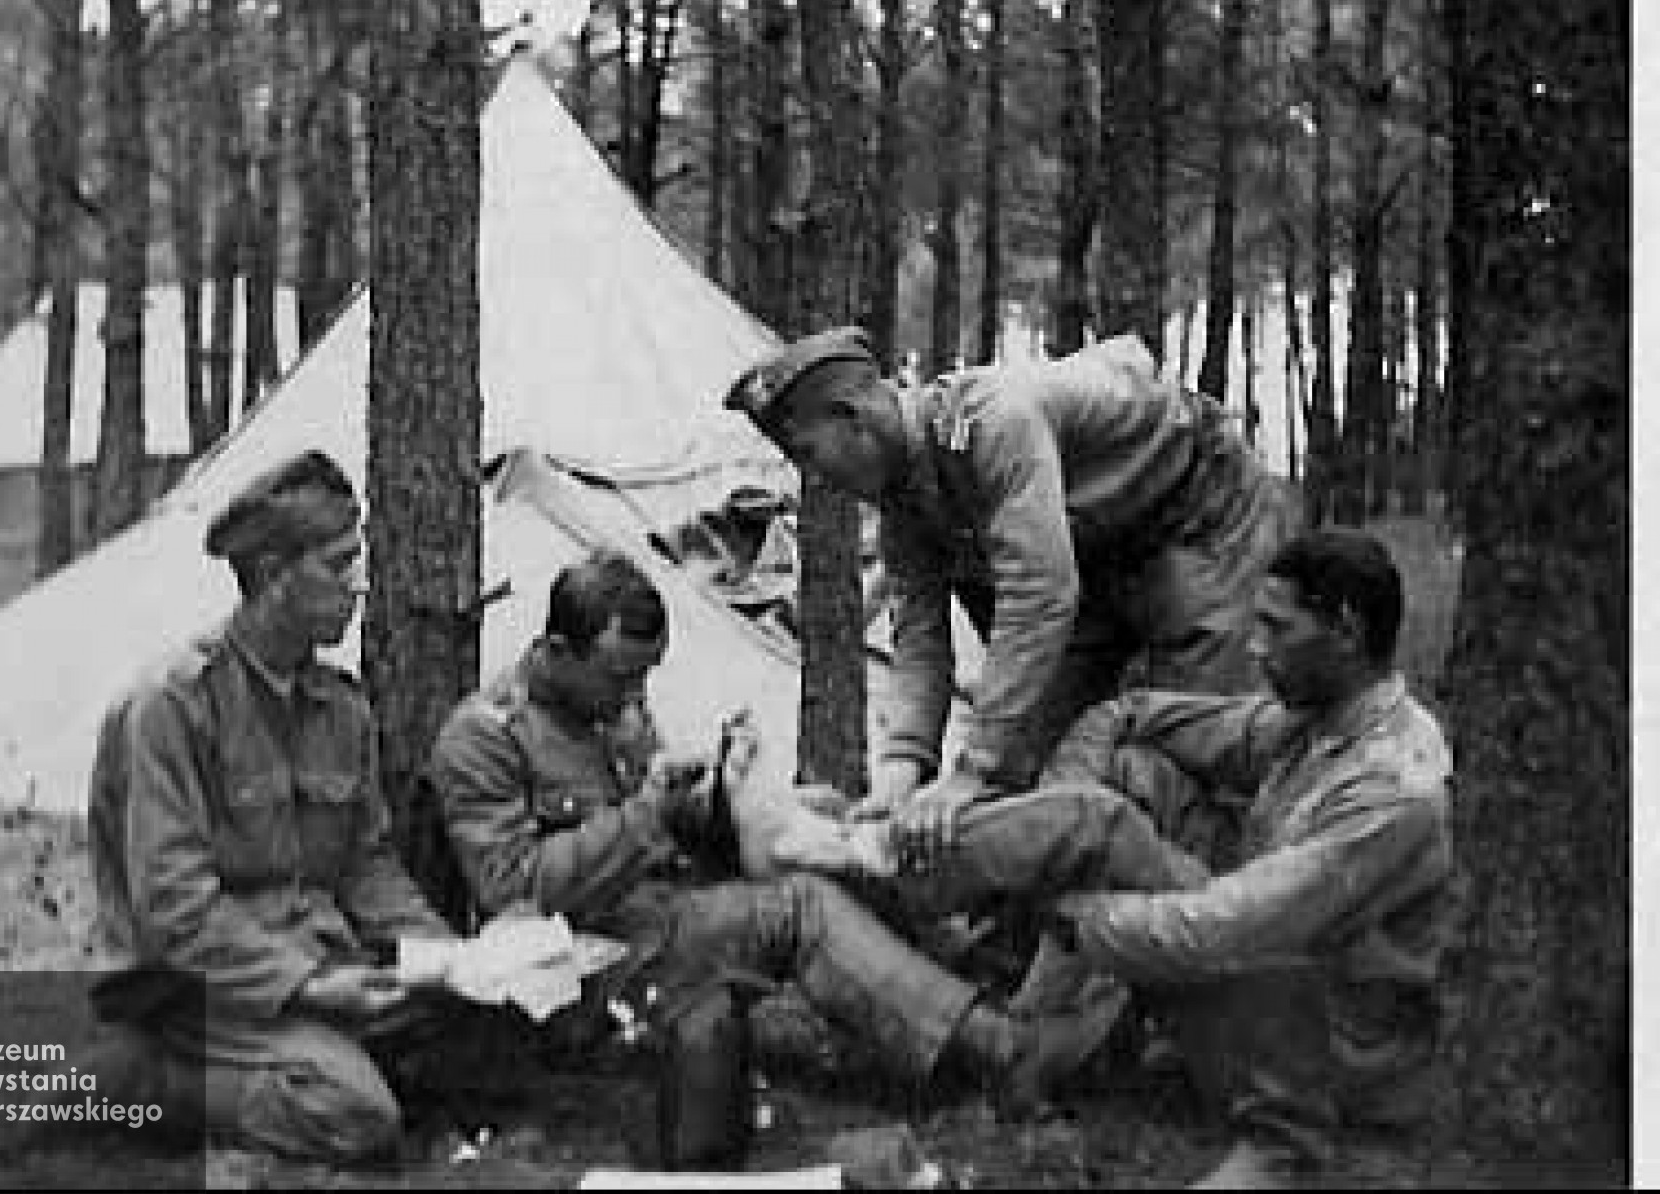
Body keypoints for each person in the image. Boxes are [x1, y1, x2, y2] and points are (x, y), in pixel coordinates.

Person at [849, 529, 1457, 1189]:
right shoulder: (1319, 718)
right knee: (1125, 780)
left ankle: (864, 867)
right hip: (1267, 968)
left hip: (1328, 1047)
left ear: (1344, 629)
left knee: (1098, 822)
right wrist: (1057, 816)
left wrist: (1081, 918)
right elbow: (1126, 715)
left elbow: (1227, 927)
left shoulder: (1395, 786)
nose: (1254, 648)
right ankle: (1025, 1030)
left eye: (1276, 628)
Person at [428, 548, 1045, 1116]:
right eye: (620, 678)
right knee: (797, 908)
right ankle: (998, 1048)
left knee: (827, 836)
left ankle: (960, 1003)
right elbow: (512, 894)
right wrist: (649, 811)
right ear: (559, 651)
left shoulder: (607, 710)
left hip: (664, 914)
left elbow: (672, 817)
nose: (634, 697)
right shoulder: (486, 738)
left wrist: (723, 788)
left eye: (643, 678)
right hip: (587, 961)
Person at [723, 324, 1288, 861]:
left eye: (807, 453)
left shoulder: (994, 423)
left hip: (1199, 520)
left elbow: (1040, 594)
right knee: (1037, 764)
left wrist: (974, 766)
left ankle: (1216, 919)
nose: (813, 477)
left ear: (856, 418)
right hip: (1100, 559)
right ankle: (1054, 930)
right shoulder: (904, 503)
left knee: (1191, 747)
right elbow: (919, 641)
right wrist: (903, 769)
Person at [86, 450, 492, 1166]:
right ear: (273, 575)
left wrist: (453, 959)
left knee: (482, 1027)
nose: (360, 584)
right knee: (357, 1111)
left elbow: (367, 866)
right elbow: (176, 913)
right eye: (338, 566)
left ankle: (329, 1055)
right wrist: (312, 987)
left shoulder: (341, 709)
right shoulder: (173, 707)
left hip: (313, 969)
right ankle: (137, 1080)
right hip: (195, 991)